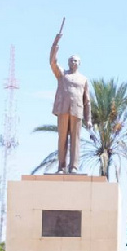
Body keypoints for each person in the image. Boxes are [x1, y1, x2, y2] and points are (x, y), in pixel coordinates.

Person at [50, 31, 92, 174]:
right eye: (71, 60)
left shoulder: (84, 79)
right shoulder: (62, 74)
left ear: (79, 63)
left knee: (76, 140)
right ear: (68, 62)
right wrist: (55, 44)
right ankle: (61, 167)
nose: (73, 62)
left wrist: (89, 120)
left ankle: (73, 166)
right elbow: (53, 62)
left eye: (75, 60)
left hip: (77, 111)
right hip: (63, 109)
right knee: (62, 138)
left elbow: (87, 101)